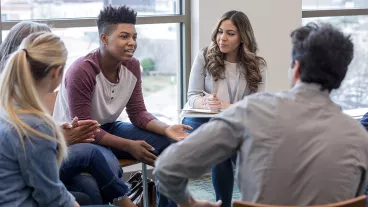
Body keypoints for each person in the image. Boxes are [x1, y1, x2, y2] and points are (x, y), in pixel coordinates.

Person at [154, 23, 368, 207]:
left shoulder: (251, 111)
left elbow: (166, 169)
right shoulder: (360, 138)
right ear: (340, 77)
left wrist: (189, 203)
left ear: (296, 69)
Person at [0, 22, 134, 206]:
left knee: (90, 163)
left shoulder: (13, 99)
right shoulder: (34, 121)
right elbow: (51, 196)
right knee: (88, 174)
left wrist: (56, 135)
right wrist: (57, 138)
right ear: (56, 71)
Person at [53, 5, 191, 166]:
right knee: (109, 165)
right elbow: (85, 130)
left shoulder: (132, 66)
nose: (132, 42)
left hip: (109, 127)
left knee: (168, 143)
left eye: (134, 37)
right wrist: (128, 145)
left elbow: (138, 113)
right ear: (104, 39)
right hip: (77, 137)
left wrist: (167, 128)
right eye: (124, 37)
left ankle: (169, 192)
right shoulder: (82, 71)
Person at [182, 10, 266, 207]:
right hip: (200, 118)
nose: (222, 38)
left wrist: (225, 107)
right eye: (220, 32)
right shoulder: (204, 56)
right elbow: (192, 96)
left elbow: (256, 106)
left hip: (233, 121)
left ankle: (244, 201)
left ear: (243, 37)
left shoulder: (257, 65)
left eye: (230, 33)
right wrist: (207, 103)